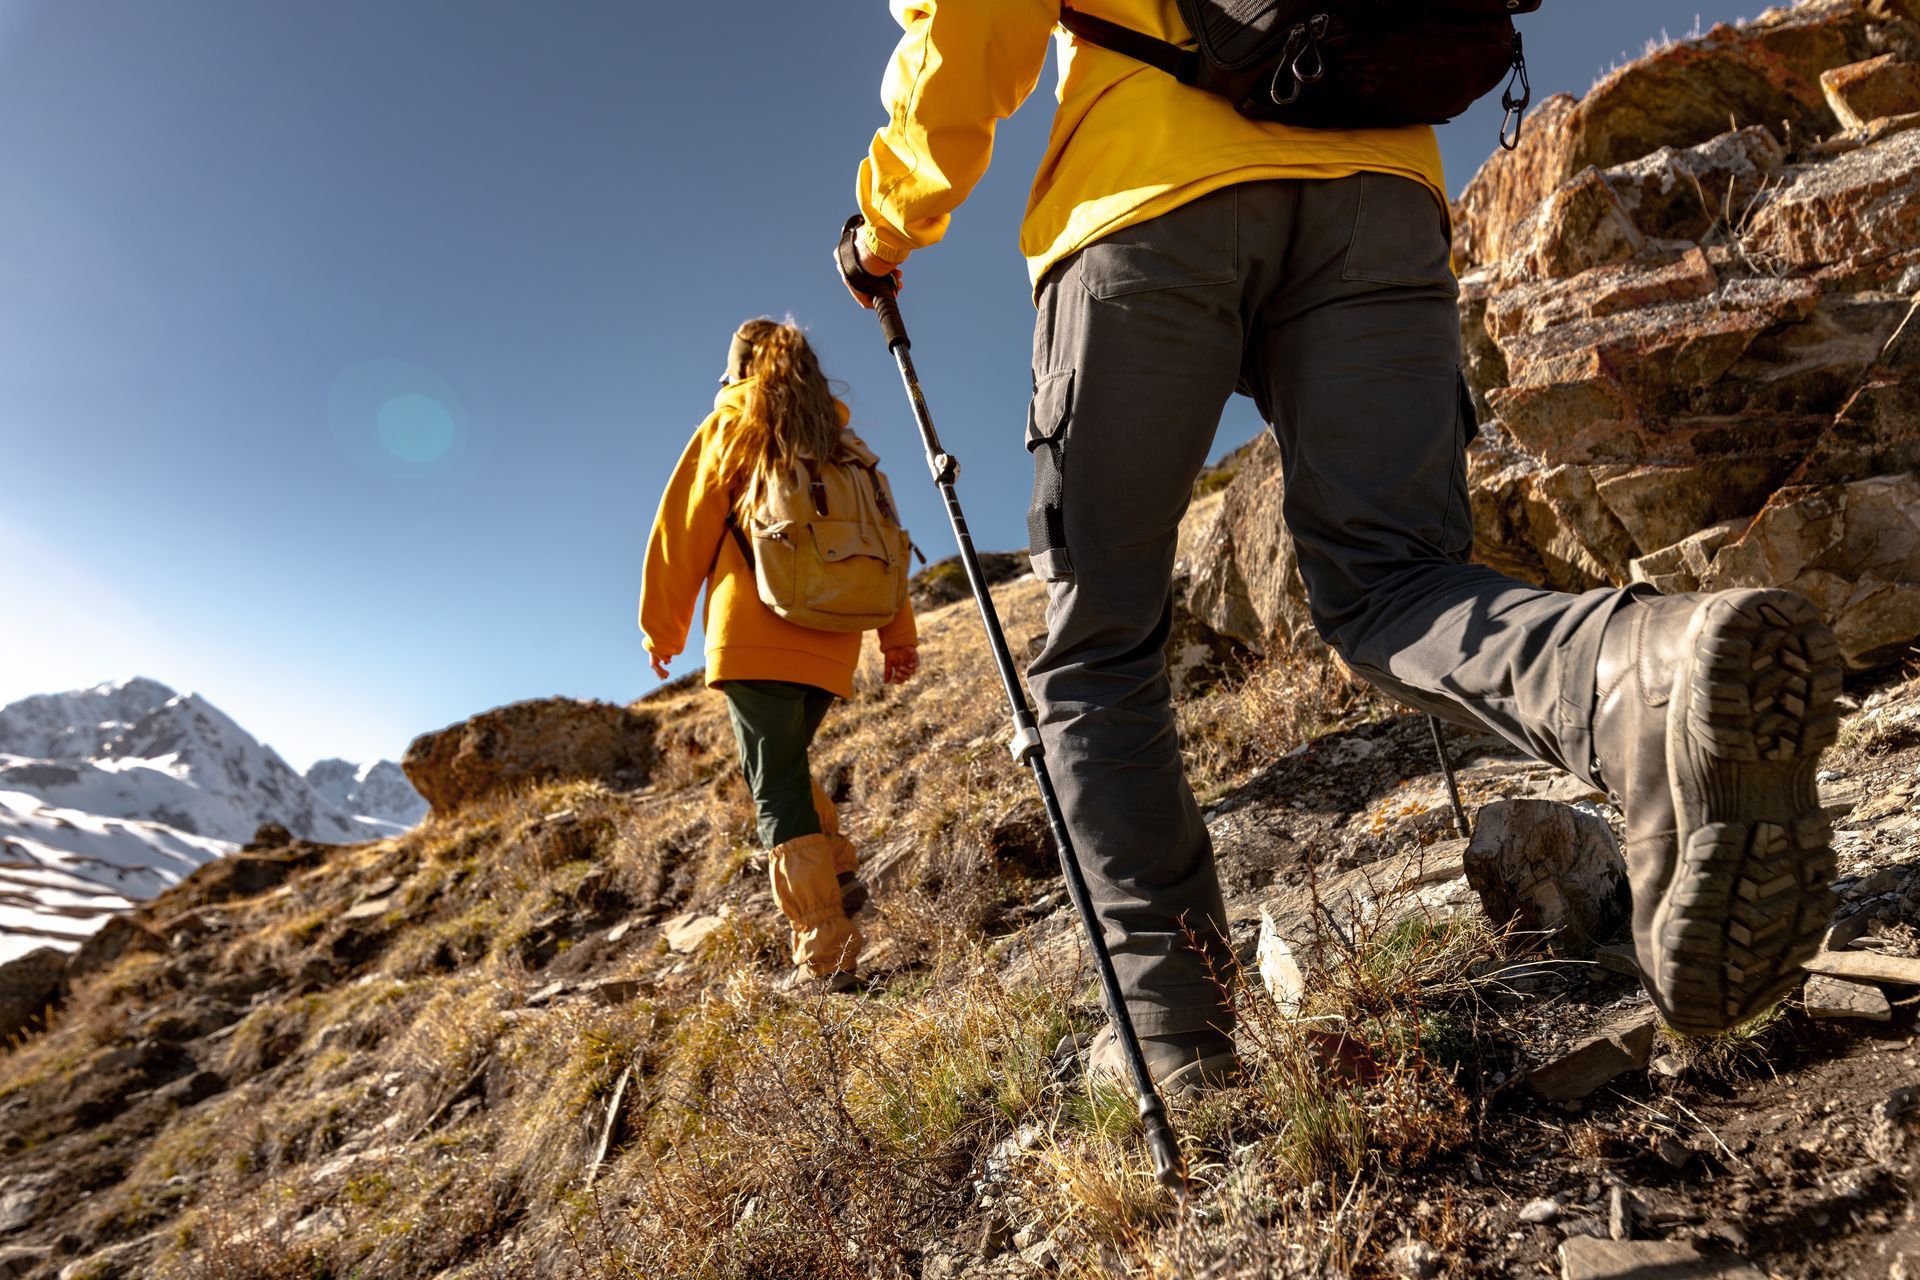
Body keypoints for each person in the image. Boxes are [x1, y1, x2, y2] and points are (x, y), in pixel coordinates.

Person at [840, 4, 1841, 1092]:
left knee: (1099, 654)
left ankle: (1176, 1039)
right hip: (1378, 181)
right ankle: (1642, 676)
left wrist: (884, 224)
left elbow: (975, 21)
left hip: (1144, 202)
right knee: (1394, 581)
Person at [640, 317, 920, 992]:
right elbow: (885, 539)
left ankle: (824, 951)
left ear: (738, 374)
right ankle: (840, 871)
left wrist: (662, 630)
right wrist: (897, 635)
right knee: (786, 771)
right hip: (834, 639)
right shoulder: (847, 447)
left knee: (776, 792)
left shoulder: (733, 429)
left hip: (754, 635)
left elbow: (682, 532)